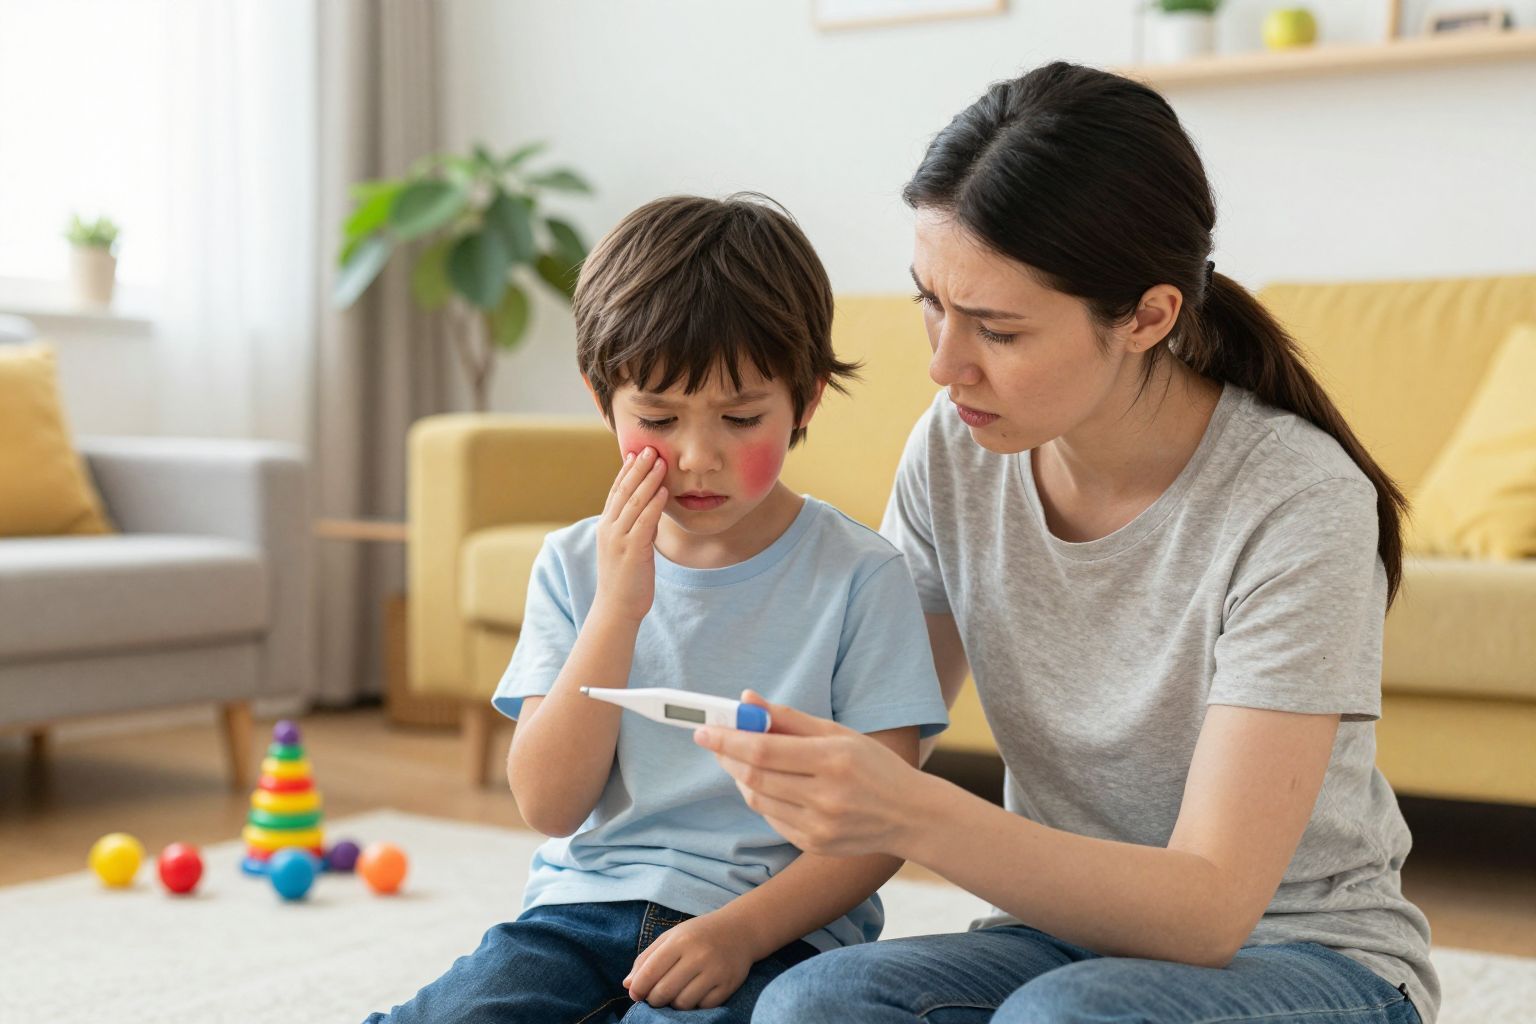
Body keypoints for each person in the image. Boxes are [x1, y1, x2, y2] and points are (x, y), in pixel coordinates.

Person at [696, 63, 1437, 1024]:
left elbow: (1211, 910)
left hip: (1304, 954)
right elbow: (873, 711)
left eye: (996, 329)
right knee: (812, 1005)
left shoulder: (1295, 502)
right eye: (931, 301)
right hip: (1057, 937)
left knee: (1062, 1020)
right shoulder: (955, 448)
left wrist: (913, 810)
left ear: (1148, 316)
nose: (943, 362)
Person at [361, 193, 949, 1024]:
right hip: (577, 914)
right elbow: (549, 805)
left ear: (806, 402)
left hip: (775, 932)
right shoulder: (573, 564)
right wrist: (619, 608)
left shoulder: (861, 576)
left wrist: (738, 934)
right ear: (603, 400)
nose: (697, 457)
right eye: (659, 419)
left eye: (741, 418)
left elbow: (884, 825)